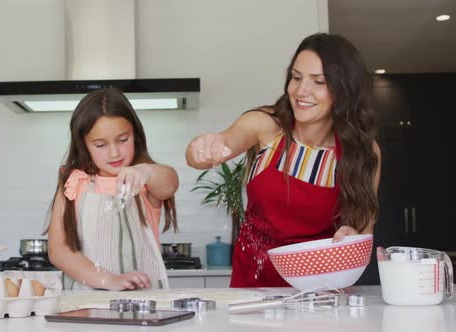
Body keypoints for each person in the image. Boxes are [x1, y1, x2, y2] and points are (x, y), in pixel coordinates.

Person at [185, 33, 381, 287]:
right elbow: (218, 145)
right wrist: (202, 148)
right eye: (296, 77)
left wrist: (351, 236)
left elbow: (363, 234)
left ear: (343, 91)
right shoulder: (266, 126)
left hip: (322, 294)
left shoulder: (364, 151)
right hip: (253, 292)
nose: (301, 91)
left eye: (318, 82)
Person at [43, 88, 179, 291]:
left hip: (143, 304)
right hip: (86, 306)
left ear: (136, 135)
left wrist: (146, 171)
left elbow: (170, 183)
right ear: (84, 145)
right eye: (100, 145)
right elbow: (58, 251)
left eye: (123, 140)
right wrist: (110, 280)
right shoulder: (74, 182)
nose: (115, 152)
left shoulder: (146, 181)